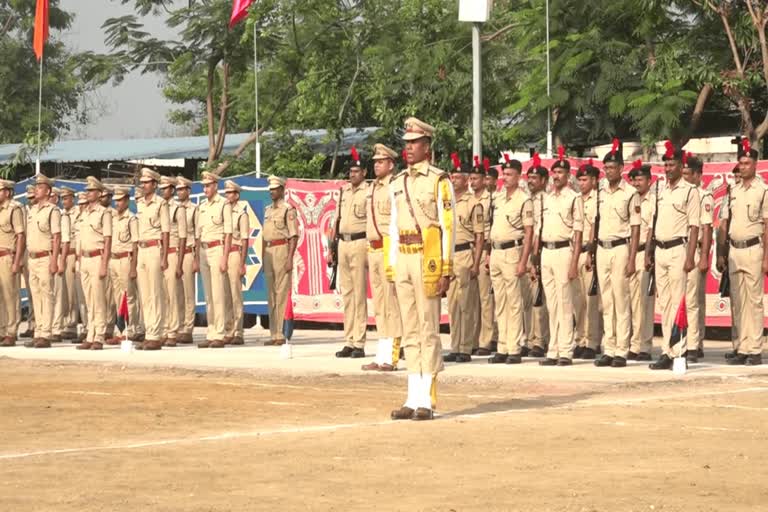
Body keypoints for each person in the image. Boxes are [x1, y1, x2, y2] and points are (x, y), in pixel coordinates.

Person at [388, 117, 455, 421]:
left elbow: (447, 226)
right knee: (409, 330)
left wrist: (446, 267)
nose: (408, 148)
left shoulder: (439, 180)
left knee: (428, 329)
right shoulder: (398, 181)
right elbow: (391, 226)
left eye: (414, 143)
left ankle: (427, 398)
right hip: (403, 254)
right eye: (406, 143)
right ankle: (412, 396)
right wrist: (391, 266)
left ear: (427, 145)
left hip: (426, 258)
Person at [649, 143, 700, 370]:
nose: (668, 169)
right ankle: (666, 351)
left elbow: (694, 227)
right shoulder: (659, 189)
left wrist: (690, 258)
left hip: (679, 249)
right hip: (660, 250)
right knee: (665, 303)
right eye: (666, 164)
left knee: (679, 302)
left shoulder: (690, 191)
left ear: (681, 166)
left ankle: (680, 352)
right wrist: (650, 251)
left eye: (672, 165)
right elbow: (653, 222)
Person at [533, 152, 584, 366]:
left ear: (568, 175)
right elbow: (538, 228)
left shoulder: (574, 198)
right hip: (546, 251)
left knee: (564, 303)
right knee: (551, 304)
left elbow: (578, 231)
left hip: (564, 250)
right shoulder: (545, 198)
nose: (556, 176)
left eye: (560, 172)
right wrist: (534, 259)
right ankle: (552, 349)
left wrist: (574, 262)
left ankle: (565, 350)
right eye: (554, 172)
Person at [718, 139, 766, 366]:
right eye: (741, 163)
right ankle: (742, 346)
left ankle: (755, 349)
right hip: (735, 250)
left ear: (755, 164)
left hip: (754, 248)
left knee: (754, 301)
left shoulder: (763, 190)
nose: (743, 167)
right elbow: (725, 224)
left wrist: (766, 257)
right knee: (738, 301)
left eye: (747, 163)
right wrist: (722, 253)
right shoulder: (733, 190)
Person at [593, 145, 641, 368]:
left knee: (621, 299)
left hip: (621, 247)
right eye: (606, 168)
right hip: (602, 248)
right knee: (607, 301)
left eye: (612, 167)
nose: (608, 171)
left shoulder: (630, 193)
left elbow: (635, 227)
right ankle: (609, 348)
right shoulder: (599, 192)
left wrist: (632, 259)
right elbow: (595, 222)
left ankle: (622, 349)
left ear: (621, 168)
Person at [487, 158, 534, 364]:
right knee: (500, 301)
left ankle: (514, 347)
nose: (505, 178)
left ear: (518, 176)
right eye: (503, 174)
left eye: (509, 175)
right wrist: (489, 253)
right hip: (496, 251)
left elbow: (529, 231)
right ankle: (502, 346)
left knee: (514, 302)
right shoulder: (498, 198)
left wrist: (524, 261)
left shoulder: (524, 199)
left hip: (513, 251)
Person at [361, 143, 403, 372]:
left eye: (381, 161)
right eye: (375, 161)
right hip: (373, 247)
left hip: (389, 246)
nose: (376, 165)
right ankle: (381, 354)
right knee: (378, 304)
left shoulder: (395, 186)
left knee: (390, 303)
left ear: (391, 164)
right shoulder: (372, 187)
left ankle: (392, 355)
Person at [329, 149, 369, 358]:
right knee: (347, 294)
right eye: (350, 171)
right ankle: (349, 340)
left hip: (360, 242)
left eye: (356, 171)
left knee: (359, 294)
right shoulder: (343, 191)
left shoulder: (368, 191)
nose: (352, 175)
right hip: (343, 243)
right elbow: (336, 220)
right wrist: (331, 248)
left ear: (364, 172)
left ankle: (359, 342)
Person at [444, 158, 483, 363]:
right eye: (452, 176)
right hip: (450, 255)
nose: (454, 179)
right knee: (452, 304)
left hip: (465, 254)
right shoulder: (446, 202)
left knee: (466, 303)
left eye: (458, 176)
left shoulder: (473, 204)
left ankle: (466, 347)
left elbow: (479, 236)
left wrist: (476, 263)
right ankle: (455, 344)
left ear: (467, 179)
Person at [196, 171, 232, 349]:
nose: (205, 189)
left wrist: (225, 257)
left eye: (208, 185)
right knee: (208, 295)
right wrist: (197, 256)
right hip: (203, 250)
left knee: (218, 294)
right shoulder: (202, 206)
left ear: (215, 186)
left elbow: (228, 233)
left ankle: (220, 333)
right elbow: (198, 234)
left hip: (218, 248)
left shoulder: (223, 204)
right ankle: (211, 332)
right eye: (203, 186)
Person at [135, 168, 170, 351]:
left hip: (155, 248)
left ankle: (156, 335)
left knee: (156, 293)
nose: (143, 185)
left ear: (155, 185)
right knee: (145, 295)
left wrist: (164, 257)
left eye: (147, 182)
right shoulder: (139, 203)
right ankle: (149, 332)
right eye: (142, 182)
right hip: (141, 249)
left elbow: (165, 232)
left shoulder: (161, 204)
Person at [682, 154, 713, 363]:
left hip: (696, 249)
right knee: (682, 298)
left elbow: (706, 228)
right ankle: (687, 340)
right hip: (679, 248)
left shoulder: (703, 196)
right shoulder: (679, 194)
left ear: (697, 175)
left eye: (687, 174)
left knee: (693, 300)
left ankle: (694, 344)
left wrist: (703, 257)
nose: (683, 177)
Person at [25, 175, 61, 348]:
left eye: (40, 187)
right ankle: (38, 331)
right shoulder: (32, 210)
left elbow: (56, 236)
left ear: (47, 191)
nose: (36, 189)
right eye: (36, 186)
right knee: (36, 295)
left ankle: (46, 333)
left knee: (46, 295)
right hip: (32, 258)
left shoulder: (52, 210)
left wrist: (54, 260)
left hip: (45, 257)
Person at [76, 177, 112, 350]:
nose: (88, 193)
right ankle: (90, 333)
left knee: (98, 299)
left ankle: (99, 335)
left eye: (91, 191)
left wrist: (104, 264)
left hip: (97, 258)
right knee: (88, 299)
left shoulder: (103, 213)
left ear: (98, 194)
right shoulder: (84, 213)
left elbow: (107, 239)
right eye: (87, 190)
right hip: (85, 259)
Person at [262, 175, 298, 346]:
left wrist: (290, 257)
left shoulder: (288, 209)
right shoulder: (268, 210)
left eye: (275, 189)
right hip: (268, 250)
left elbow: (293, 235)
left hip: (282, 249)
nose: (272, 192)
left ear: (282, 190)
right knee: (271, 294)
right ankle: (274, 333)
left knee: (282, 292)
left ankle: (283, 333)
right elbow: (264, 235)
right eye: (270, 189)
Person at [573, 162, 602, 359]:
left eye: (585, 180)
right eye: (580, 180)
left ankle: (592, 342)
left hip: (589, 251)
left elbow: (593, 227)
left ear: (594, 180)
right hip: (575, 251)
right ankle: (580, 339)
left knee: (592, 301)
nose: (582, 183)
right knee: (578, 301)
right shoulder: (576, 200)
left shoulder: (598, 200)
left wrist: (590, 253)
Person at [108, 187, 143, 344]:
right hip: (114, 260)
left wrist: (134, 266)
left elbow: (135, 244)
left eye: (120, 200)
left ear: (127, 201)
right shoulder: (113, 219)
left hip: (126, 259)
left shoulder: (131, 219)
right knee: (117, 297)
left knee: (129, 296)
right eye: (116, 200)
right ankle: (121, 329)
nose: (117, 203)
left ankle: (131, 329)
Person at [628, 164, 655, 361]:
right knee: (631, 301)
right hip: (629, 253)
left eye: (641, 179)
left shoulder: (654, 201)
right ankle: (633, 343)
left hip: (644, 252)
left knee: (645, 302)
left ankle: (644, 346)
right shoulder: (630, 199)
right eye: (634, 180)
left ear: (649, 181)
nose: (637, 183)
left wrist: (648, 254)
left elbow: (651, 230)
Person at [470, 158, 495, 356]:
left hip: (485, 247)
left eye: (476, 178)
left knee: (486, 297)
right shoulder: (469, 199)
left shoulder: (491, 199)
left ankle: (486, 340)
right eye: (471, 178)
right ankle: (473, 337)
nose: (473, 182)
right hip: (468, 249)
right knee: (472, 299)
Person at [158, 176, 187, 347]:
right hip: (160, 253)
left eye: (166, 188)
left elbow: (183, 237)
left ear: (172, 189)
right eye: (161, 188)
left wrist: (179, 263)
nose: (163, 191)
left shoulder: (178, 209)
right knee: (162, 294)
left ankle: (173, 331)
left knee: (172, 294)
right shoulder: (159, 207)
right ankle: (164, 328)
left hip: (173, 252)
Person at [524, 164, 549, 357]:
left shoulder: (545, 200)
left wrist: (534, 258)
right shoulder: (527, 199)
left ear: (543, 181)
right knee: (527, 300)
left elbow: (539, 231)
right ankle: (530, 338)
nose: (530, 181)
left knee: (539, 300)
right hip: (524, 255)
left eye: (534, 178)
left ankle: (540, 341)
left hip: (538, 254)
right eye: (529, 177)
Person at [0, 179, 25, 346]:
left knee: (10, 295)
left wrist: (17, 261)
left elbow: (21, 236)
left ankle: (11, 331)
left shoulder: (14, 209)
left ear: (7, 192)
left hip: (8, 256)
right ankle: (2, 330)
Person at [223, 180, 248, 346]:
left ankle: (238, 331)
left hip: (235, 252)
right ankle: (228, 329)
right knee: (225, 295)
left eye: (231, 193)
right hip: (223, 253)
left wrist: (242, 263)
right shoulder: (223, 210)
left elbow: (245, 240)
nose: (227, 195)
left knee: (235, 294)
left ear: (237, 195)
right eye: (226, 193)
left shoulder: (241, 214)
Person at [176, 176, 198, 344]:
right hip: (175, 252)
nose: (180, 192)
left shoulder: (194, 209)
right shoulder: (175, 208)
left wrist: (196, 258)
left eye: (182, 189)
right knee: (177, 293)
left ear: (189, 191)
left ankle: (188, 328)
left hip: (189, 251)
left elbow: (197, 235)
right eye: (178, 190)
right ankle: (178, 325)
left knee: (189, 291)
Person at [49, 187, 70, 343]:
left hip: (56, 256)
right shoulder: (41, 213)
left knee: (57, 294)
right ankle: (46, 327)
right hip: (44, 256)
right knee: (45, 294)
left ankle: (56, 328)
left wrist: (61, 262)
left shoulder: (62, 216)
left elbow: (65, 241)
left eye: (52, 196)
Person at [58, 187, 79, 341]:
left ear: (73, 198)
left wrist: (77, 258)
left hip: (73, 254)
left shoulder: (78, 213)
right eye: (62, 199)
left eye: (66, 198)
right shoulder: (61, 214)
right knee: (63, 292)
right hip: (61, 255)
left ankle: (72, 324)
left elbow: (79, 237)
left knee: (72, 293)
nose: (63, 201)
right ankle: (66, 323)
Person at [19, 185, 36, 339]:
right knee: (30, 292)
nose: (31, 200)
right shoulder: (24, 211)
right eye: (29, 198)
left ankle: (41, 326)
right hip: (25, 252)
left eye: (33, 197)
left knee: (39, 292)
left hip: (38, 253)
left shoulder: (43, 211)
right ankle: (31, 324)